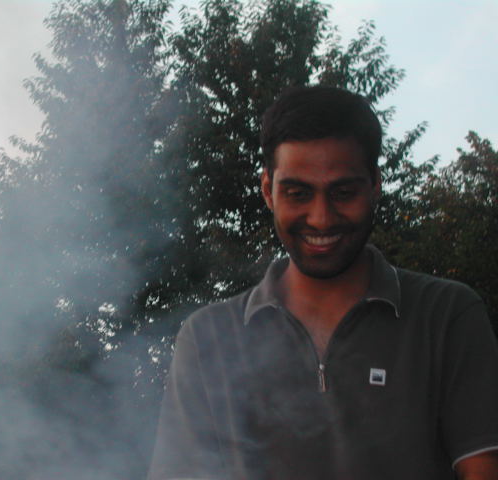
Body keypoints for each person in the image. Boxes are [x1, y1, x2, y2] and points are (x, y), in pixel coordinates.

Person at [147, 86, 498, 480]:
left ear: (375, 185)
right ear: (268, 191)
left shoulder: (446, 315)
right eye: (298, 193)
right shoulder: (208, 338)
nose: (321, 218)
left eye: (343, 193)